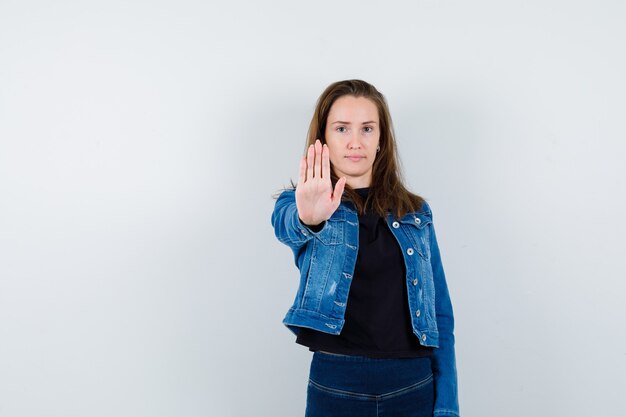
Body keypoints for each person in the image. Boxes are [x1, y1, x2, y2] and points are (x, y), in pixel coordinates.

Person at [271, 79, 460, 417]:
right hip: (336, 385)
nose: (355, 142)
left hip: (413, 386)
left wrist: (446, 405)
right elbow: (287, 225)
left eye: (367, 129)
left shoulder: (415, 213)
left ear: (381, 139)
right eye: (342, 128)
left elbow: (440, 314)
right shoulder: (303, 204)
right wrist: (309, 219)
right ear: (324, 138)